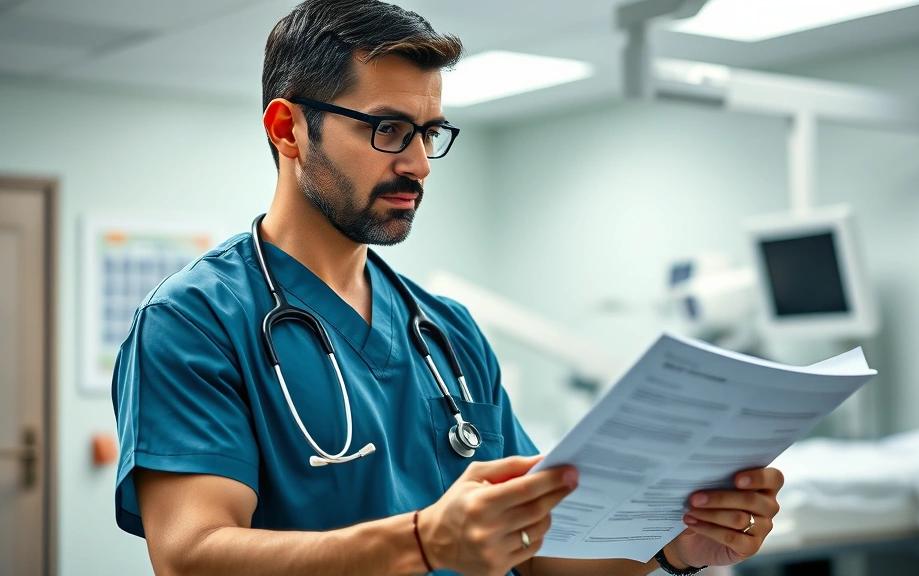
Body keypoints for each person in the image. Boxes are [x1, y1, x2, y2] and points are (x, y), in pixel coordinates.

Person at [111, 1, 784, 575]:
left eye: (429, 132)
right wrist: (422, 541)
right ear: (288, 129)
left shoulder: (447, 332)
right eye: (388, 130)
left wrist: (673, 548)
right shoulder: (195, 320)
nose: (419, 164)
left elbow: (537, 549)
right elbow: (192, 554)